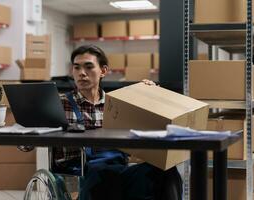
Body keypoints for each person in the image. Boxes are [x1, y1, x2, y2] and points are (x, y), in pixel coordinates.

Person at [52, 45, 183, 200]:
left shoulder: (118, 105)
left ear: (103, 71)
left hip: (117, 170)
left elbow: (149, 127)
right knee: (100, 174)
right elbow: (27, 143)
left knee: (166, 172)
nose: (82, 73)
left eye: (88, 67)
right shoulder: (58, 104)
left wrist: (149, 95)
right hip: (79, 173)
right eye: (77, 67)